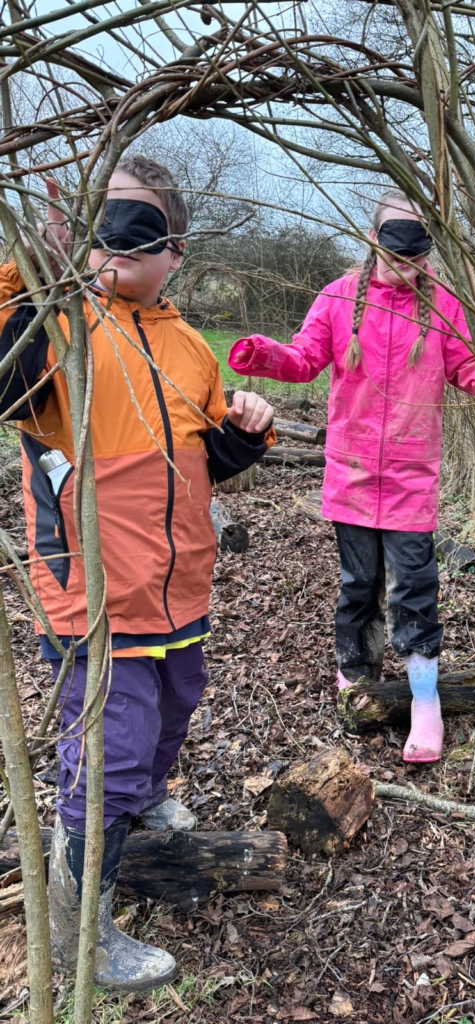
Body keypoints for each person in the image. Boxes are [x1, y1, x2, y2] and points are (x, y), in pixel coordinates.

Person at [0, 155, 276, 991]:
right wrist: (35, 280)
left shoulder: (192, 347)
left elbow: (196, 461)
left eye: (135, 226)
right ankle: (82, 929)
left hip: (178, 584)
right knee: (109, 747)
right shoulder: (59, 325)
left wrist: (246, 435)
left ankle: (146, 798)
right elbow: (5, 391)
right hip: (91, 592)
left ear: (175, 250)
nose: (112, 244)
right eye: (99, 224)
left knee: (176, 703)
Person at [228, 190, 475, 765]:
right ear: (372, 238)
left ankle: (425, 699)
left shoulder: (443, 305)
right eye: (394, 245)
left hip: (412, 477)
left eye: (416, 248)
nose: (404, 260)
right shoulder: (338, 297)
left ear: (428, 247)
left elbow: (472, 372)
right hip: (352, 474)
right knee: (357, 587)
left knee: (414, 589)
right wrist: (260, 355)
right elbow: (305, 358)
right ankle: (358, 683)